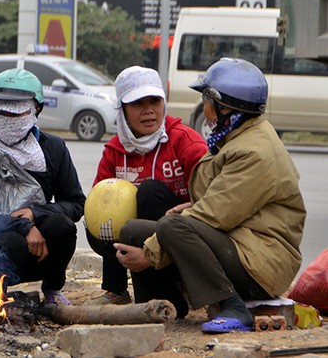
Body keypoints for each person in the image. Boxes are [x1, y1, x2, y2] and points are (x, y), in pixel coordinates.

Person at [113, 58, 306, 333]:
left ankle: (234, 307)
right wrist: (190, 208)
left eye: (206, 100)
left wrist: (150, 253)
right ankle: (160, 305)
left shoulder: (255, 151)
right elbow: (225, 200)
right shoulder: (233, 136)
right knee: (132, 230)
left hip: (262, 262)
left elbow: (214, 216)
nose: (204, 109)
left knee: (171, 227)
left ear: (224, 106)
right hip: (239, 242)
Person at [0, 68, 85, 305]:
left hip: (41, 248)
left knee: (61, 226)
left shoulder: (53, 148)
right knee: (9, 241)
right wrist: (21, 226)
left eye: (16, 111)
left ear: (37, 109)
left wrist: (37, 213)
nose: (7, 117)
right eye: (0, 110)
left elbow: (76, 203)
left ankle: (52, 290)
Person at [86, 66, 207, 317]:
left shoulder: (187, 142)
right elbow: (97, 200)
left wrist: (191, 207)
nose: (148, 110)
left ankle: (178, 290)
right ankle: (115, 290)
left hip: (184, 235)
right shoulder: (114, 150)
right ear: (123, 111)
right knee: (105, 210)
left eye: (154, 101)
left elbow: (216, 197)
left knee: (149, 192)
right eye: (137, 103)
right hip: (136, 237)